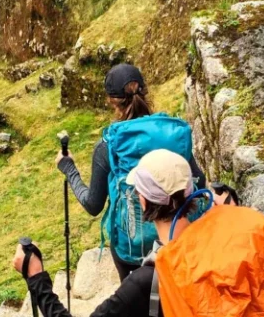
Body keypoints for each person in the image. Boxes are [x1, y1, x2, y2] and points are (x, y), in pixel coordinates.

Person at [14, 151, 264, 317]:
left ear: (143, 202)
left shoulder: (147, 282)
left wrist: (36, 277)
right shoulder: (246, 226)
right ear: (192, 193)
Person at [56, 63, 205, 280]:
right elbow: (199, 181)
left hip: (130, 249)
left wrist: (69, 169)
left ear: (111, 101)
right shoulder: (174, 134)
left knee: (135, 298)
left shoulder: (109, 145)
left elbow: (93, 205)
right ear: (145, 91)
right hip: (177, 237)